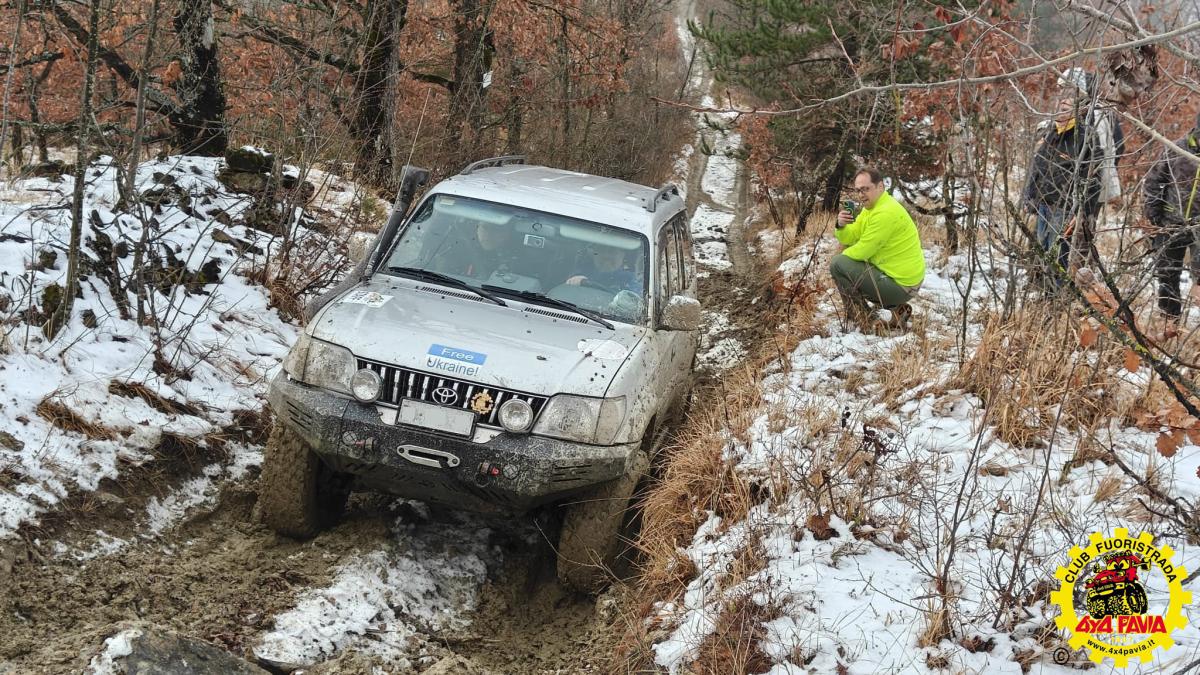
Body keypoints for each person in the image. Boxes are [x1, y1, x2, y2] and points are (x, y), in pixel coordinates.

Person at [830, 168, 925, 330]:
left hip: (901, 285)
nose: (861, 195)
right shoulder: (871, 208)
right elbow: (850, 237)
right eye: (858, 190)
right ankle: (897, 310)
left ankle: (863, 318)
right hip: (901, 280)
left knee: (837, 264)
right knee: (843, 263)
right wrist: (841, 225)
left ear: (880, 186)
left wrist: (842, 263)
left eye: (865, 189)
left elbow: (863, 251)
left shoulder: (885, 212)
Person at [1022, 96, 1103, 281]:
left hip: (1064, 208)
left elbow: (1093, 179)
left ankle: (1057, 294)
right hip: (1043, 204)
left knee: (1058, 257)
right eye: (1060, 105)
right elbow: (1038, 166)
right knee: (1043, 252)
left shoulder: (1085, 137)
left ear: (1077, 112)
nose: (1061, 110)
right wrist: (1029, 196)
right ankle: (1046, 291)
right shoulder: (1052, 133)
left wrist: (1082, 211)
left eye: (1066, 107)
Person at [1058, 68, 1126, 267]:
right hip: (1066, 189)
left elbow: (1110, 151)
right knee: (1065, 238)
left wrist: (1100, 183)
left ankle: (1074, 279)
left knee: (1078, 240)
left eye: (1068, 89)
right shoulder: (1071, 112)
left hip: (1087, 190)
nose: (1063, 94)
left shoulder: (1097, 116)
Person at [1143, 112, 1200, 320]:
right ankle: (1169, 321)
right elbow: (1154, 181)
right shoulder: (1176, 149)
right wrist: (1154, 214)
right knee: (1167, 273)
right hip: (1171, 222)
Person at [430, 220, 516, 280]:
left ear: (507, 233)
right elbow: (441, 278)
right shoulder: (457, 251)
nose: (488, 234)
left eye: (496, 229)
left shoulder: (517, 259)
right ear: (477, 228)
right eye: (485, 227)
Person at [565, 244, 643, 294]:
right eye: (602, 250)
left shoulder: (631, 279)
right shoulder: (580, 272)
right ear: (594, 254)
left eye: (612, 251)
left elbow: (634, 301)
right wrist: (574, 281)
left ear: (623, 255)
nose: (606, 256)